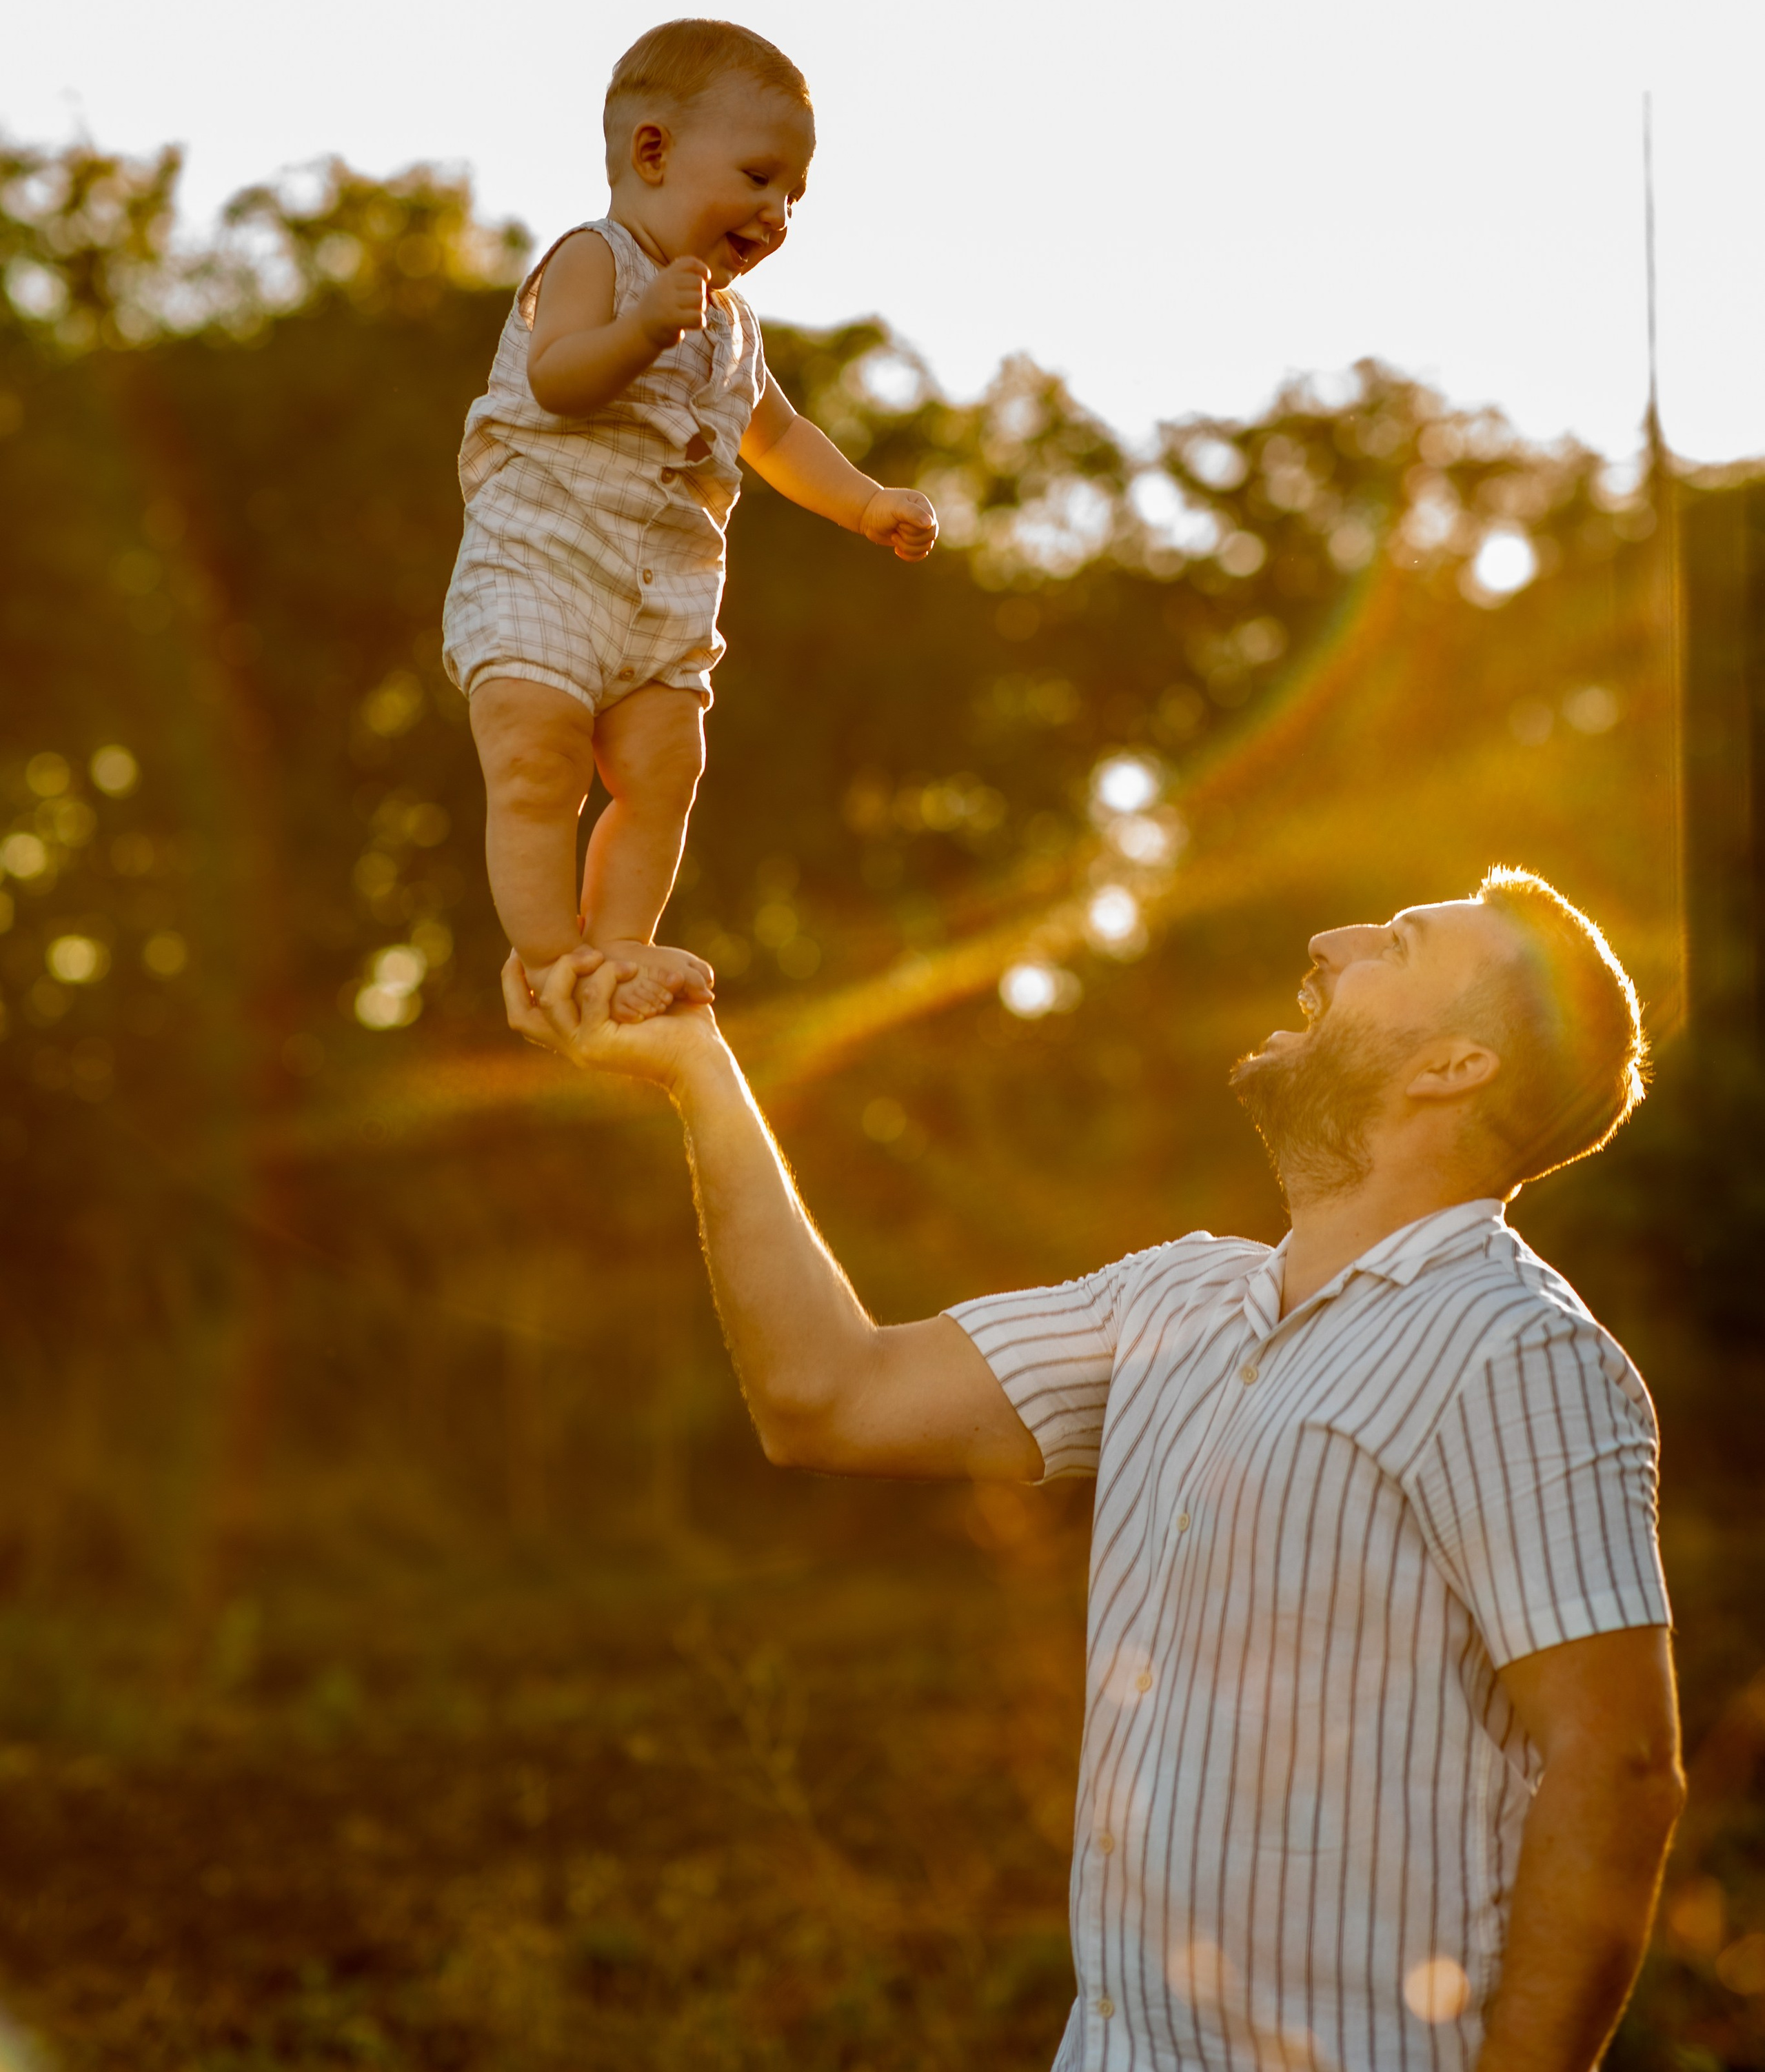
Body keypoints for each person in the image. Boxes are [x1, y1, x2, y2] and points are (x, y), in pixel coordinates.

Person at [503, 864, 1684, 2072]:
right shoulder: (1176, 1295)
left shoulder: (1517, 1347)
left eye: (1399, 942)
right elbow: (830, 1396)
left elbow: (1621, 1764)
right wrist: (702, 1070)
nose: (1332, 939)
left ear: (1454, 1065)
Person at [443, 19, 937, 1020]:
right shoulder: (598, 261)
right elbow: (557, 376)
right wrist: (639, 329)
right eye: (759, 176)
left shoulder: (732, 325)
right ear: (652, 152)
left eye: (794, 195)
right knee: (538, 762)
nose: (777, 212)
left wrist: (868, 503)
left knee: (666, 772)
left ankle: (621, 944)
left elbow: (781, 438)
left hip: (661, 602)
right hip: (544, 571)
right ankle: (551, 958)